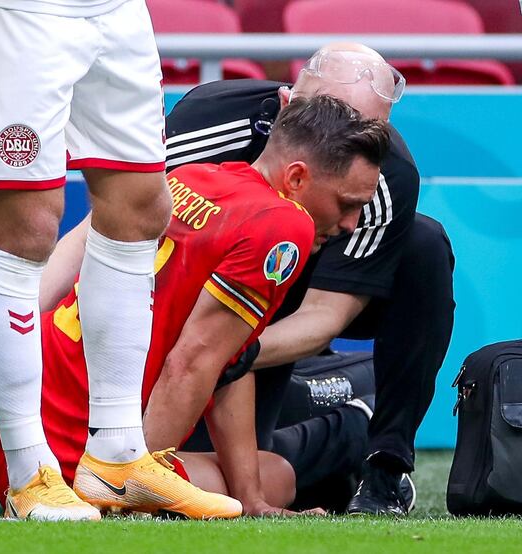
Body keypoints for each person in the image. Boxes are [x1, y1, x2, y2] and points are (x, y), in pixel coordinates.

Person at [0, 96, 391, 518]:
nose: (352, 221)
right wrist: (130, 478)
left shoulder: (195, 176)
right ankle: (70, 491)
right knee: (278, 475)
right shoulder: (284, 228)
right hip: (78, 443)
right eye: (348, 202)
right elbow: (194, 366)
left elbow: (220, 363)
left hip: (0, 397)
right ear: (297, 177)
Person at [163, 43, 456, 516]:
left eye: (368, 135)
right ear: (287, 107)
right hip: (190, 319)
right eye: (335, 126)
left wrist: (230, 349)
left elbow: (324, 314)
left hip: (268, 321)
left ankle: (380, 459)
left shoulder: (383, 173)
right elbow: (107, 235)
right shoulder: (206, 128)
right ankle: (349, 425)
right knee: (197, 477)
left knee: (424, 245)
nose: (352, 149)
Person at [0, 0, 172, 520]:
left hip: (117, 10)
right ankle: (28, 475)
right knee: (27, 222)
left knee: (140, 206)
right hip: (22, 12)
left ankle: (117, 454)